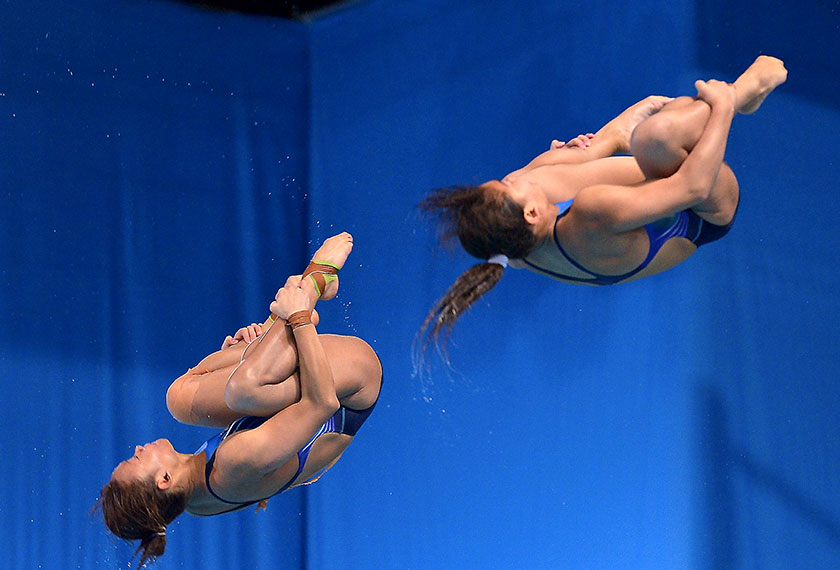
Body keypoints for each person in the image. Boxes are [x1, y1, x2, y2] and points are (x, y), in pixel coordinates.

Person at [417, 56, 787, 353]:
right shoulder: (591, 213)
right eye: (508, 186)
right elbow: (694, 186)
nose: (511, 178)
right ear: (531, 214)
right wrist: (724, 107)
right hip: (701, 212)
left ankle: (625, 136)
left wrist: (581, 149)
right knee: (656, 136)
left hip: (648, 202)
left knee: (545, 171)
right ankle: (746, 91)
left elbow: (568, 168)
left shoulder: (511, 248)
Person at [95, 233, 383, 567]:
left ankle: (266, 340)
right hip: (351, 390)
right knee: (242, 389)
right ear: (164, 480)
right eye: (135, 459)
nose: (137, 449)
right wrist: (300, 317)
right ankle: (313, 282)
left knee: (180, 397)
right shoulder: (233, 464)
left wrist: (247, 356)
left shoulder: (193, 503)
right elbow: (321, 405)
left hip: (303, 400)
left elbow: (265, 480)